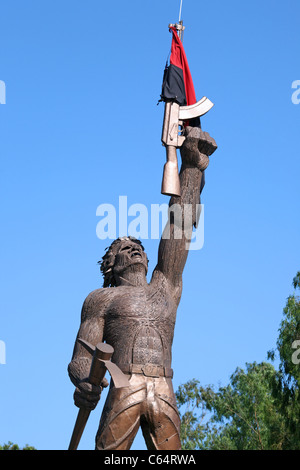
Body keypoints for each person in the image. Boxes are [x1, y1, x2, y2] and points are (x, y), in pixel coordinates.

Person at [68, 126, 217, 450]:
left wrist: (191, 167)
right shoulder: (101, 299)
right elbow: (82, 356)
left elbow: (179, 226)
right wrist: (84, 381)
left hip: (164, 385)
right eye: (123, 248)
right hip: (124, 383)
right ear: (110, 265)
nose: (134, 249)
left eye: (138, 246)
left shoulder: (166, 285)